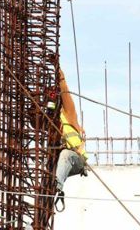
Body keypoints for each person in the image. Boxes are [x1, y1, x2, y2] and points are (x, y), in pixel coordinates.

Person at [54, 70, 88, 210]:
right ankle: (53, 187)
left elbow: (65, 92)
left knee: (65, 154)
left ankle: (57, 185)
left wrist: (60, 76)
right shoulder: (52, 122)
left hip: (76, 159)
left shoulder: (67, 114)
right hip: (63, 164)